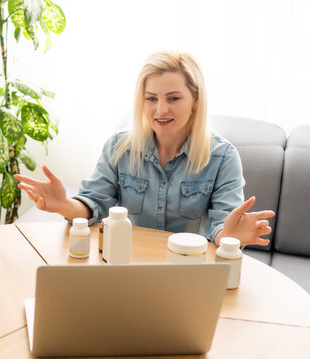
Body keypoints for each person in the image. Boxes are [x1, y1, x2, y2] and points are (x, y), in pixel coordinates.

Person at [14, 51, 274, 247]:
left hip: (188, 272)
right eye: (152, 99)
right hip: (127, 265)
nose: (160, 110)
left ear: (195, 99)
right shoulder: (120, 147)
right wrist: (64, 204)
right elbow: (94, 204)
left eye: (173, 98)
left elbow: (221, 228)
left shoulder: (223, 157)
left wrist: (229, 236)